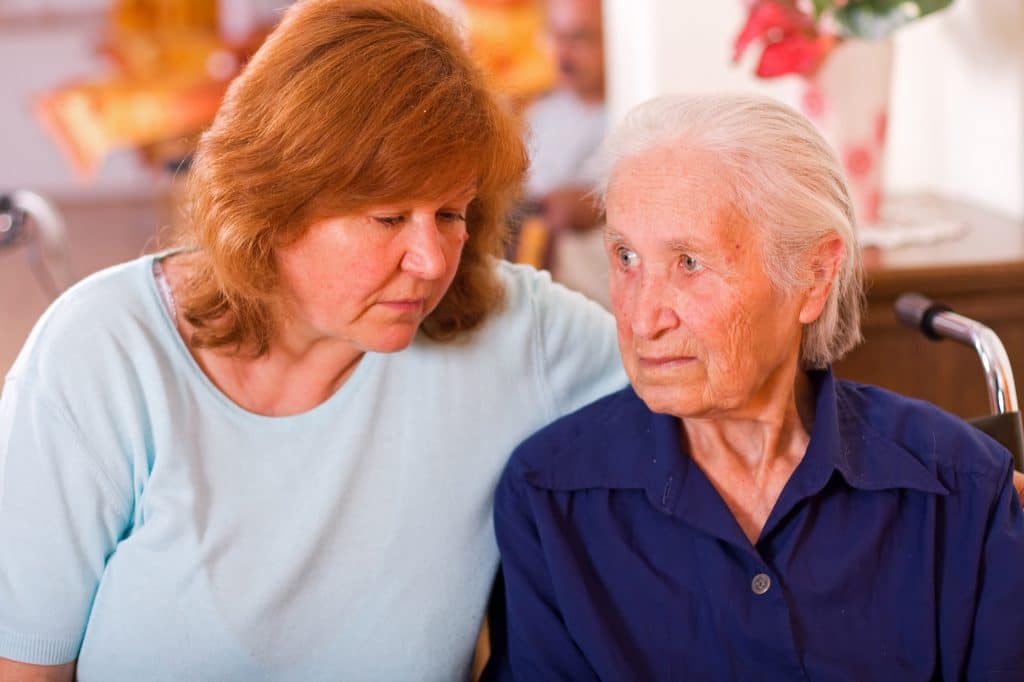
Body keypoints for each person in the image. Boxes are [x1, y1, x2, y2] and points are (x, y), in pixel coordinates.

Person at [0, 1, 625, 679]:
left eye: (451, 212)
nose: (433, 259)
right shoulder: (102, 351)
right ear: (276, 203)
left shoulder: (519, 335)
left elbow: (710, 383)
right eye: (388, 217)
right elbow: (26, 664)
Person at [492, 94, 1024, 679]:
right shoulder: (551, 500)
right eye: (625, 257)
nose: (643, 319)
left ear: (814, 276)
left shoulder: (963, 492)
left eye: (689, 263)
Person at [514, 0, 610, 306]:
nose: (563, 54)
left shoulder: (632, 108)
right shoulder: (541, 113)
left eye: (579, 37)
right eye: (556, 36)